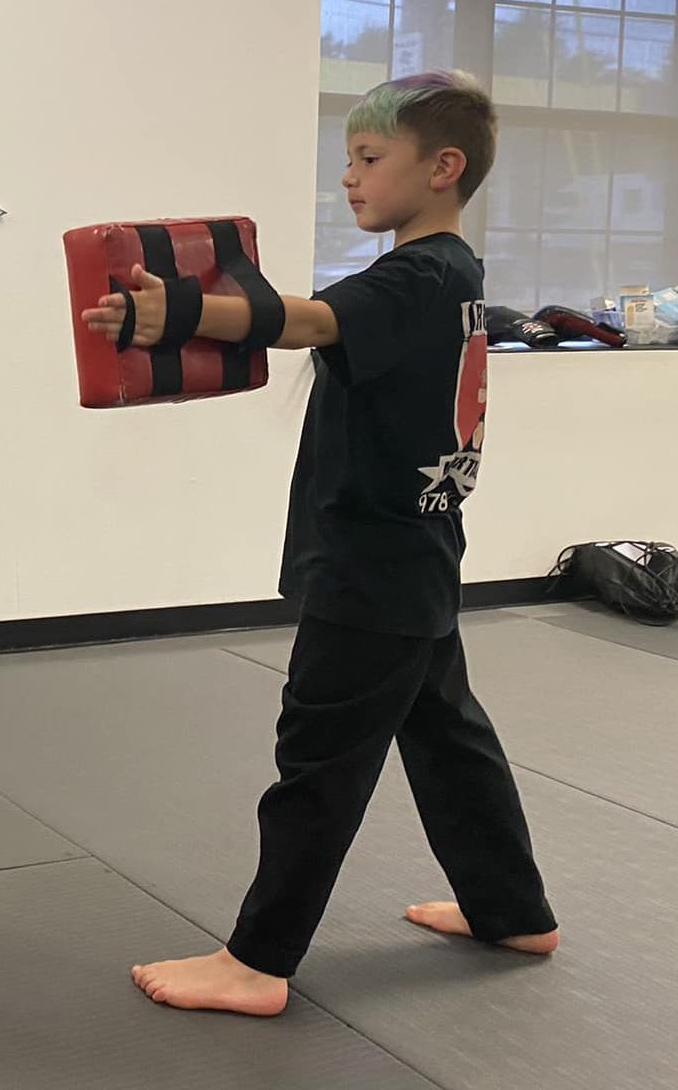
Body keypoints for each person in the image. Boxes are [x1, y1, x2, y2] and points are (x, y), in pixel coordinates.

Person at [83, 70, 558, 1016]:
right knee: (446, 735)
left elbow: (305, 321)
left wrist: (170, 310)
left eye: (369, 159)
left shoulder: (415, 274)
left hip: (373, 564)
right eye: (346, 159)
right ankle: (511, 908)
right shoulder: (456, 274)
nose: (348, 177)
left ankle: (257, 960)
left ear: (443, 168)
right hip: (418, 551)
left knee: (318, 757)